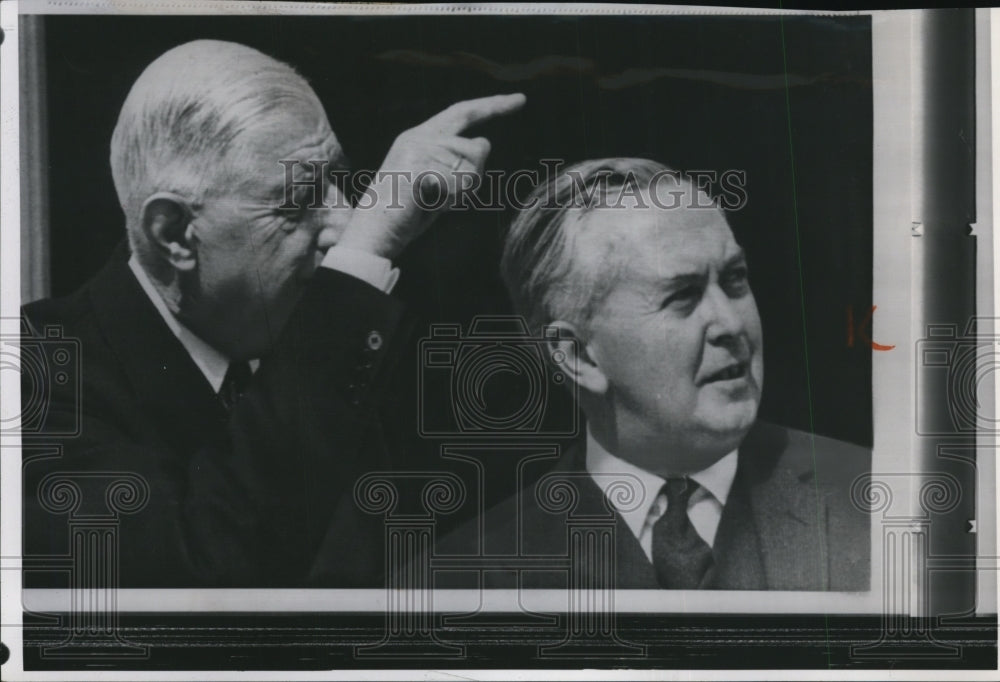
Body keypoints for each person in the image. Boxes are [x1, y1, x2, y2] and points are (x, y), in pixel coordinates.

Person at [21, 39, 524, 587]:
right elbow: (204, 586)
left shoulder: (342, 342)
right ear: (174, 234)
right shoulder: (36, 376)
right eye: (297, 200)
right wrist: (361, 260)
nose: (345, 222)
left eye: (338, 180)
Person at [436, 158, 870, 591]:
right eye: (682, 296)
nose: (731, 324)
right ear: (578, 355)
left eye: (735, 279)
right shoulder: (465, 577)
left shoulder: (879, 499)